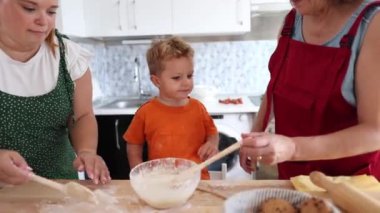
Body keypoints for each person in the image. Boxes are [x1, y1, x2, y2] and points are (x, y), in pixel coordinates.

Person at [239, 0, 380, 180]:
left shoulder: (373, 24)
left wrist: (293, 148)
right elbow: (275, 87)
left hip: (351, 189)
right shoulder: (292, 21)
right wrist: (254, 134)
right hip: (294, 182)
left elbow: (375, 132)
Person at [0, 0, 110, 185]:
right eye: (29, 8)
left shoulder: (69, 55)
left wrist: (87, 152)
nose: (43, 21)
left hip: (62, 187)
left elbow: (82, 115)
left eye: (51, 12)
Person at [123, 37, 219, 179]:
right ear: (157, 81)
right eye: (176, 78)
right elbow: (133, 144)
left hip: (197, 182)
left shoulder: (198, 108)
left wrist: (212, 143)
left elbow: (213, 133)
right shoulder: (146, 112)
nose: (186, 83)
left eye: (189, 75)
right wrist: (139, 173)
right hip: (161, 182)